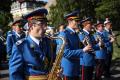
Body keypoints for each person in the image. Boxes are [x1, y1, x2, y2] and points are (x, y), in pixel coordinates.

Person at [9, 8, 55, 80]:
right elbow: (15, 75)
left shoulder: (48, 42)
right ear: (31, 25)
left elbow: (52, 62)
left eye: (46, 24)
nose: (45, 27)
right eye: (41, 24)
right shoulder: (20, 46)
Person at [56, 10, 92, 80]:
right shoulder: (64, 34)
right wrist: (83, 50)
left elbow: (75, 48)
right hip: (68, 69)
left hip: (75, 68)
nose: (78, 23)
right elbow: (65, 53)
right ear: (70, 21)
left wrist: (83, 45)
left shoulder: (75, 34)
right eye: (76, 21)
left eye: (78, 21)